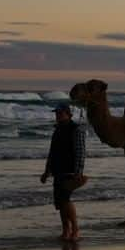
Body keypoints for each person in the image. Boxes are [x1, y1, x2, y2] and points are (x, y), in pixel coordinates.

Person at [41, 102, 88, 241]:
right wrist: (47, 171)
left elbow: (80, 152)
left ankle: (76, 230)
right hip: (57, 170)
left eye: (60, 113)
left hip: (70, 171)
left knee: (65, 200)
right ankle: (66, 230)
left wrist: (78, 172)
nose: (58, 115)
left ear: (68, 114)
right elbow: (52, 153)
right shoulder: (57, 130)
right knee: (60, 202)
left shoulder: (76, 129)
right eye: (57, 113)